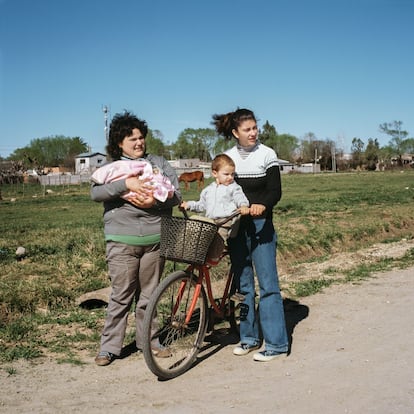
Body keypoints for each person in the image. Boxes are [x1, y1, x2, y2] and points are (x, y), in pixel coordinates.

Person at [91, 110, 181, 366]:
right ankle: (109, 347)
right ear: (120, 143)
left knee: (150, 294)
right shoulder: (113, 169)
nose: (139, 142)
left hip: (156, 239)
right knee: (121, 294)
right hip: (122, 240)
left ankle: (149, 342)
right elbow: (96, 194)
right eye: (132, 139)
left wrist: (156, 200)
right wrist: (125, 186)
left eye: (141, 137)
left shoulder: (159, 163)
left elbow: (177, 195)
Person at [211, 108, 289, 362]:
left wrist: (261, 206)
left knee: (268, 286)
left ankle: (276, 344)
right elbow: (220, 189)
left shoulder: (267, 155)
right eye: (247, 129)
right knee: (244, 287)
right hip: (237, 228)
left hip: (261, 226)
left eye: (255, 128)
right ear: (235, 133)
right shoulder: (228, 158)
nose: (253, 133)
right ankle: (248, 337)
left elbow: (274, 191)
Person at [180, 154, 250, 262]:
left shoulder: (234, 187)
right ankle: (195, 255)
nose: (230, 177)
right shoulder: (208, 190)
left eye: (232, 174)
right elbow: (201, 205)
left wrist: (243, 206)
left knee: (219, 238)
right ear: (215, 173)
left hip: (226, 221)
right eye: (226, 174)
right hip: (211, 221)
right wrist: (188, 205)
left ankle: (213, 258)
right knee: (199, 237)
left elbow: (240, 197)